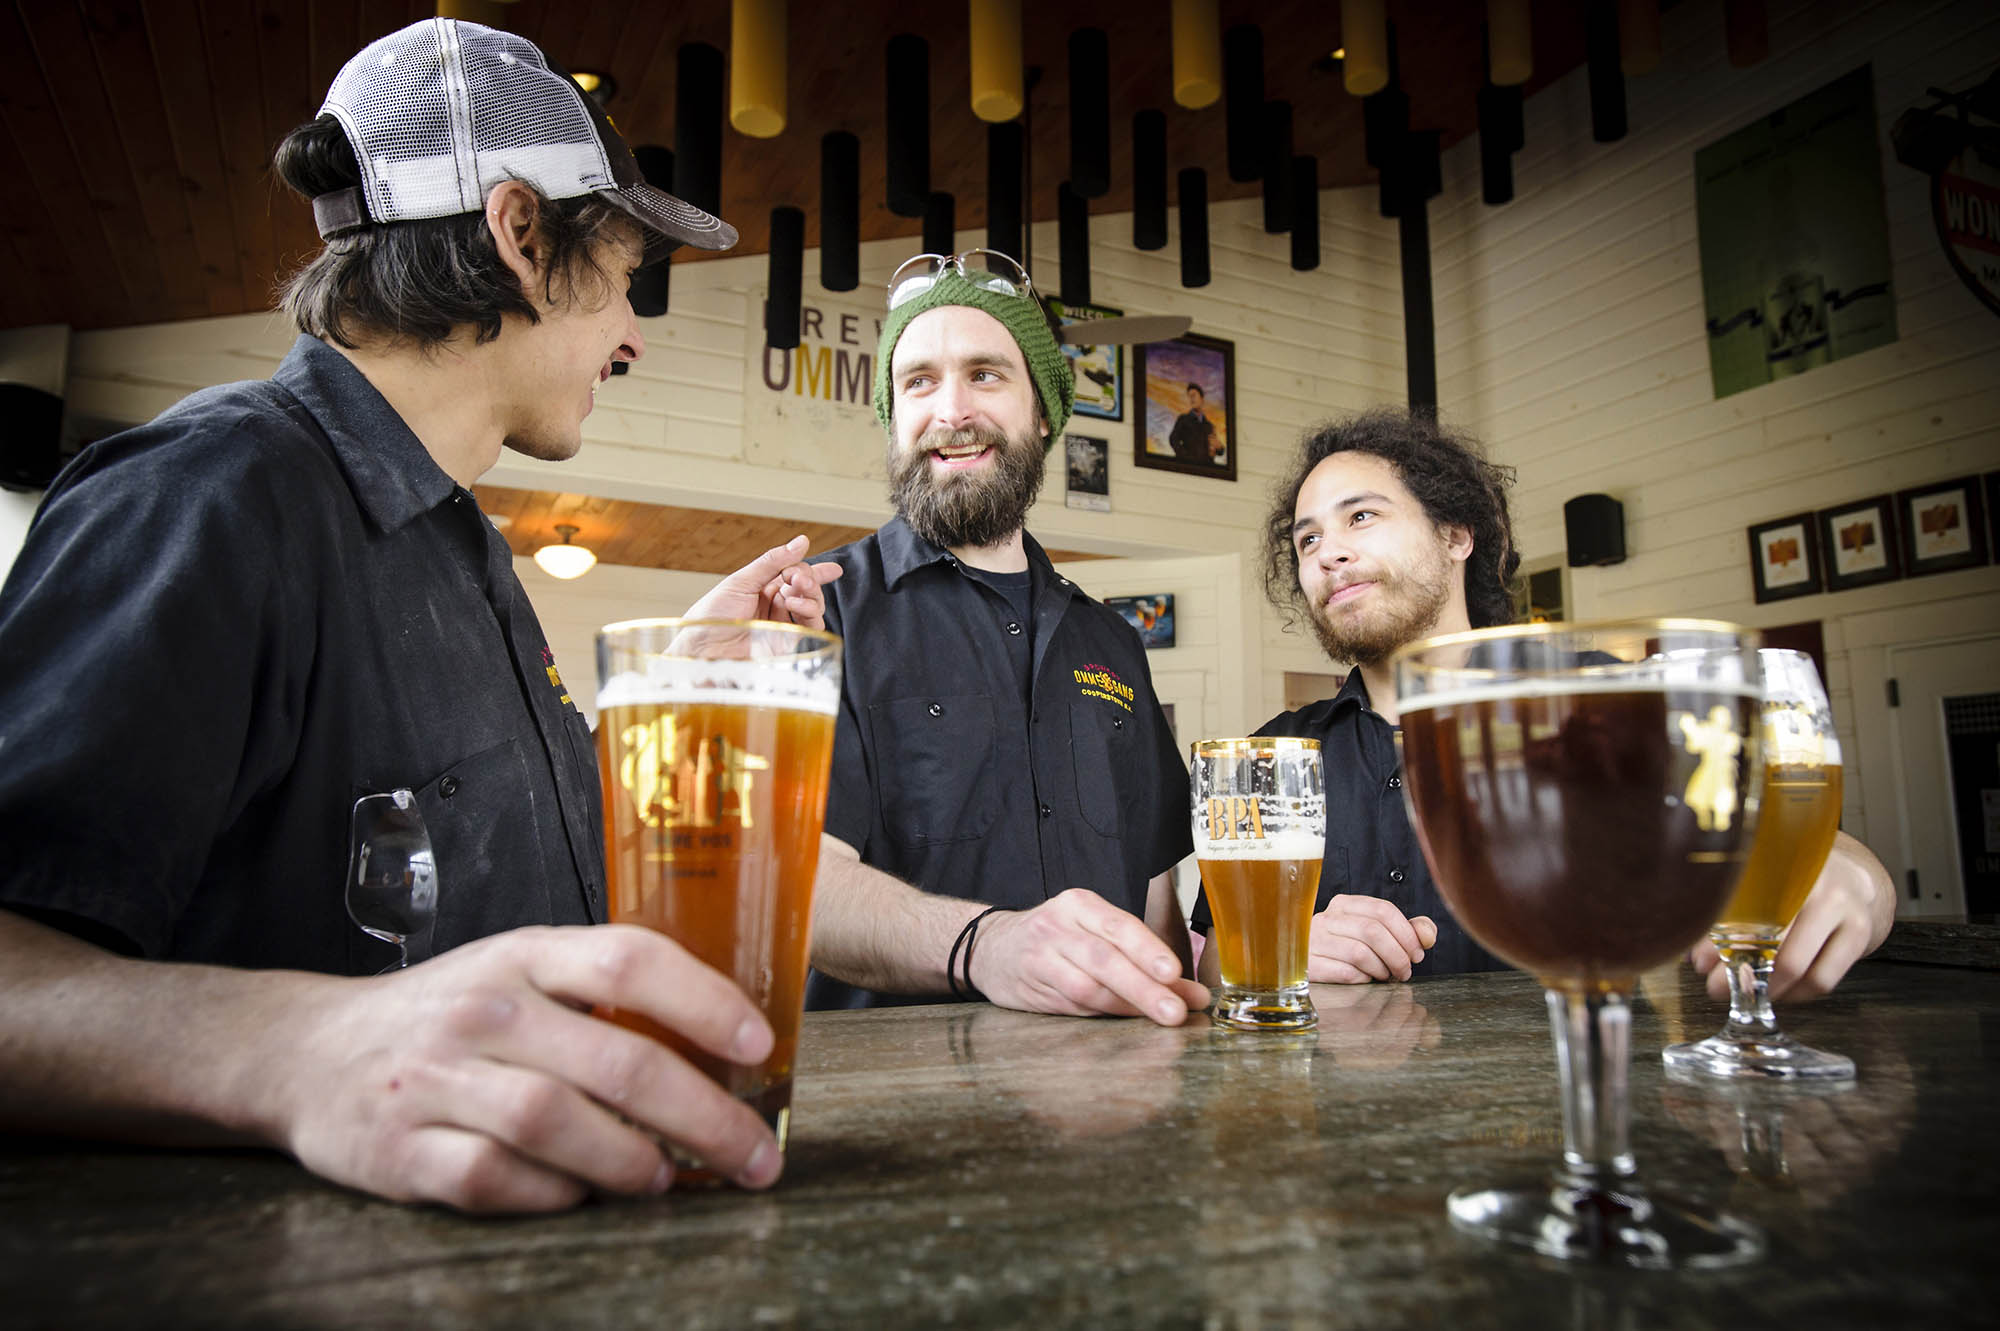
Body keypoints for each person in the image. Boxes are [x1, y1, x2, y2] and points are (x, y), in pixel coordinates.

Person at [0, 18, 839, 1214]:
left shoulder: (459, 541)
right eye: (623, 276)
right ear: (520, 233)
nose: (632, 335)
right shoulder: (207, 495)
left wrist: (675, 672)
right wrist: (296, 1047)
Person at [1193, 406, 1897, 997]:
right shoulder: (1273, 753)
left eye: (1361, 517)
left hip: (1591, 1113)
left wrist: (1858, 882)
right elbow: (1207, 956)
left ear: (1456, 534)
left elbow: (1795, 846)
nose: (1326, 552)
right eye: (1308, 537)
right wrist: (1278, 949)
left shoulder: (1602, 701)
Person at [802, 251, 1207, 1026]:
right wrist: (990, 947)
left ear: (1044, 411)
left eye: (985, 374)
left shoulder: (1112, 642)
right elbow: (797, 885)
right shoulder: (822, 611)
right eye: (918, 381)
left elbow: (1155, 896)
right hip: (892, 1113)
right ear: (894, 415)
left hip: (1109, 1103)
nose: (951, 409)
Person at [1167, 383, 1219, 465]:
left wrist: (1219, 448)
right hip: (1186, 467)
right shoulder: (1183, 419)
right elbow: (1173, 439)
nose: (1191, 399)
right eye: (1189, 396)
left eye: (1194, 395)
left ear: (1202, 399)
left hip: (1205, 471)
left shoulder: (1209, 425)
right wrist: (1184, 457)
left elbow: (1215, 450)